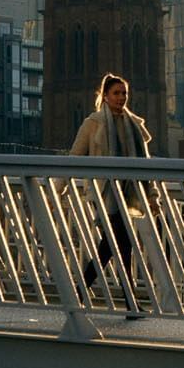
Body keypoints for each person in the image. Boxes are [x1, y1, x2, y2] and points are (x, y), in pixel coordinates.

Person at [68, 73, 153, 308]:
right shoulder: (93, 123)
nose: (121, 97)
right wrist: (59, 189)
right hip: (104, 193)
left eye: (124, 93)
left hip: (127, 194)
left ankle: (80, 292)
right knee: (121, 244)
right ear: (105, 96)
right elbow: (74, 156)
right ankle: (129, 302)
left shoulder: (134, 125)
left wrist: (152, 196)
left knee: (113, 245)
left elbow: (146, 163)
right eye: (116, 93)